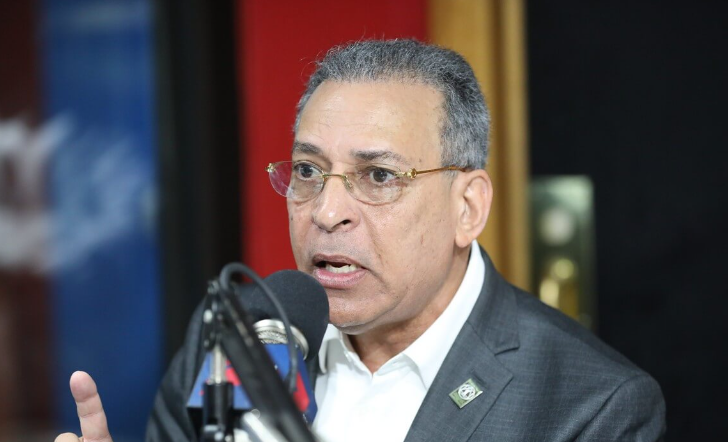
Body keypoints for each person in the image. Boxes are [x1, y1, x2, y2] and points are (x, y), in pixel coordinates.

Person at [56, 39, 666, 442]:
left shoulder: (592, 407)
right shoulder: (238, 341)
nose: (326, 212)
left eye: (378, 177)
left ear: (468, 207)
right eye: (307, 171)